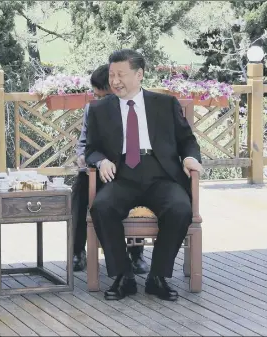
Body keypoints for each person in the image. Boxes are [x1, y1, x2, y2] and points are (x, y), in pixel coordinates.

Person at [85, 49, 202, 301]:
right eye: (112, 75)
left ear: (139, 75)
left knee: (181, 208)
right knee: (102, 207)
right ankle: (123, 276)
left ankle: (157, 277)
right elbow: (90, 148)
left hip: (161, 172)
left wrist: (191, 158)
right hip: (122, 173)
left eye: (121, 75)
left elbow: (187, 141)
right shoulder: (99, 109)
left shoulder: (165, 104)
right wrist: (101, 160)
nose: (114, 81)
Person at [72, 64, 149, 275]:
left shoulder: (135, 107)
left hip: (127, 171)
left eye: (101, 95)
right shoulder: (92, 109)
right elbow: (83, 143)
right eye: (95, 96)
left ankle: (136, 253)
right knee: (80, 189)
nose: (97, 100)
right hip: (98, 169)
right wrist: (82, 157)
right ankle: (77, 250)